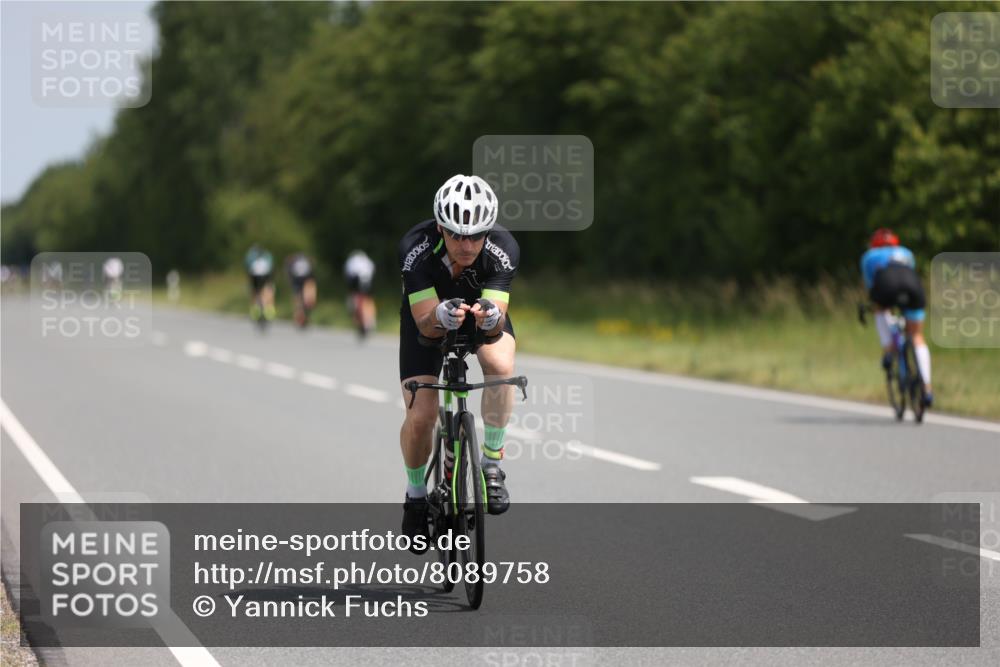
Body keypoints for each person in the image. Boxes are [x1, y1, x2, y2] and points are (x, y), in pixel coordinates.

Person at [398, 174, 519, 553]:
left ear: (488, 232)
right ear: (440, 228)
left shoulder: (503, 248)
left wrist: (488, 316)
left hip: (478, 311)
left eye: (475, 236)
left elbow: (498, 318)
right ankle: (416, 495)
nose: (466, 245)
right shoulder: (414, 248)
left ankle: (492, 463)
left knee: (500, 366)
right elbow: (423, 321)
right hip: (429, 315)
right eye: (455, 235)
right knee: (421, 415)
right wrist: (440, 316)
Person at [860, 228, 932, 407]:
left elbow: (872, 287)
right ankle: (927, 388)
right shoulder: (906, 253)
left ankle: (888, 349)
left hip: (886, 286)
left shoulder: (869, 256)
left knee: (880, 309)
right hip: (913, 288)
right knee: (916, 336)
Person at [344, 249, 376, 337]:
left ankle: (360, 318)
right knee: (368, 300)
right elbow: (372, 270)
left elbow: (347, 274)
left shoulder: (351, 261)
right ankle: (370, 319)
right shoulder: (367, 260)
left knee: (354, 300)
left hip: (356, 281)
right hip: (367, 281)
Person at [244, 244, 276, 323]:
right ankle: (269, 308)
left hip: (254, 276)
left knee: (254, 291)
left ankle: (254, 309)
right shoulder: (267, 255)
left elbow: (247, 266)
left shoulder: (251, 255)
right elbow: (271, 267)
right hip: (266, 276)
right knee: (268, 290)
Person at [285, 252, 317, 327]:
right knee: (303, 300)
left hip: (297, 281)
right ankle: (301, 314)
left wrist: (290, 280)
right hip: (304, 281)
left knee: (298, 299)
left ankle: (300, 314)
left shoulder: (293, 262)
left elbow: (289, 272)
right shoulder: (306, 261)